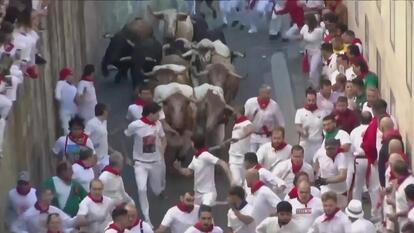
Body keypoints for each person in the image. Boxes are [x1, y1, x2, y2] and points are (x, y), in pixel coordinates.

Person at [124, 102, 166, 226]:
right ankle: (147, 218)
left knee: (157, 189)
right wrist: (127, 156)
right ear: (151, 114)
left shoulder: (158, 124)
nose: (159, 115)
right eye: (157, 113)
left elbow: (163, 138)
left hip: (156, 162)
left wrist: (162, 150)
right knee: (142, 189)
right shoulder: (135, 125)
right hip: (140, 163)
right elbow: (125, 136)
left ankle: (160, 190)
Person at [174, 134, 233, 206]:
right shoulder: (195, 157)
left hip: (208, 193)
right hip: (197, 194)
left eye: (191, 142)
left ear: (193, 144)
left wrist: (232, 181)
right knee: (198, 214)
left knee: (205, 211)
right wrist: (179, 169)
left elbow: (223, 163)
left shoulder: (205, 155)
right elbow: (188, 172)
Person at [11, 187, 76, 233]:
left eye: (51, 195)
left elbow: (68, 222)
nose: (51, 197)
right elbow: (15, 227)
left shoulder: (55, 210)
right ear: (40, 196)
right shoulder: (28, 214)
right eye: (49, 195)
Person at [244, 85, 285, 152]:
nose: (268, 95)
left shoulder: (274, 105)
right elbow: (244, 119)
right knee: (251, 155)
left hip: (266, 137)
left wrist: (279, 136)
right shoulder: (250, 102)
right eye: (267, 93)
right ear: (261, 93)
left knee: (265, 155)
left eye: (269, 93)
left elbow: (281, 123)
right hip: (252, 135)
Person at [295, 88, 327, 164]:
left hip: (318, 143)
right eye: (309, 100)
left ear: (316, 99)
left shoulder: (322, 112)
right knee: (304, 165)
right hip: (305, 143)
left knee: (319, 164)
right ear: (306, 99)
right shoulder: (300, 112)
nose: (311, 102)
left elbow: (326, 128)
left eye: (313, 100)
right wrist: (303, 131)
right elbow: (297, 127)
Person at [314, 139, 348, 208]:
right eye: (328, 148)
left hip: (340, 190)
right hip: (326, 188)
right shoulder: (320, 153)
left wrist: (326, 180)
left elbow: (343, 176)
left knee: (340, 212)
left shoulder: (341, 157)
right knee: (326, 209)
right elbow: (316, 162)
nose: (331, 151)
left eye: (333, 148)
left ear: (337, 147)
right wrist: (315, 174)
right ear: (325, 147)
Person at [228, 107, 255, 186]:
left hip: (243, 158)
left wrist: (240, 138)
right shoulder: (236, 124)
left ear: (237, 112)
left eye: (234, 112)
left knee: (245, 183)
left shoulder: (246, 122)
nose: (232, 114)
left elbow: (252, 129)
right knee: (236, 181)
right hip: (233, 157)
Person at [85, 103, 113, 172]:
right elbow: (84, 139)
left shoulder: (104, 122)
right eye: (107, 111)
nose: (108, 113)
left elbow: (103, 139)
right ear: (104, 111)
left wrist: (112, 151)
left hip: (104, 158)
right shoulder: (91, 123)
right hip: (94, 159)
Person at [300, 13, 324, 88]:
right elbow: (301, 35)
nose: (305, 22)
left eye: (306, 20)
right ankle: (316, 85)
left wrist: (304, 36)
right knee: (315, 69)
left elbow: (310, 38)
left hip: (317, 52)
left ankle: (317, 84)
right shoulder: (305, 27)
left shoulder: (318, 31)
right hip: (308, 52)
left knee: (313, 70)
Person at [54, 67, 77, 135]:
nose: (72, 77)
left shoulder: (72, 86)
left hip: (74, 111)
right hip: (65, 112)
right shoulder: (61, 83)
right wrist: (63, 99)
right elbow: (57, 96)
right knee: (67, 131)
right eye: (70, 75)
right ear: (66, 76)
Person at [393, 160, 414, 231]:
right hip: (403, 219)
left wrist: (397, 215)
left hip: (406, 221)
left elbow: (409, 206)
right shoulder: (406, 181)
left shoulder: (408, 186)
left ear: (395, 172)